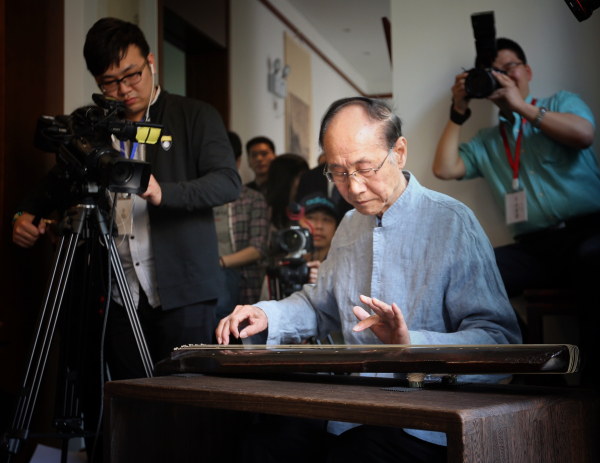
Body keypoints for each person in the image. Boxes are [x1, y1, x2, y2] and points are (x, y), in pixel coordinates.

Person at [216, 97, 521, 463]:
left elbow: (498, 338)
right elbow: (319, 305)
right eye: (338, 173)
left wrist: (412, 344)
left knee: (353, 455)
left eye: (364, 168)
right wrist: (267, 315)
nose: (354, 188)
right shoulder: (349, 225)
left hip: (427, 417)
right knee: (262, 442)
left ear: (400, 152)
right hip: (354, 405)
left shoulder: (452, 223)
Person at [12, 17, 241, 379]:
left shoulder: (194, 115)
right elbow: (57, 179)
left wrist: (163, 193)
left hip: (185, 291)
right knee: (130, 397)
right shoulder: (92, 127)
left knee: (187, 398)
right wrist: (24, 213)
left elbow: (228, 182)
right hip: (117, 291)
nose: (124, 89)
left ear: (151, 61)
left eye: (132, 75)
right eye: (110, 82)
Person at [433, 38, 600, 298]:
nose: (504, 77)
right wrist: (458, 110)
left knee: (593, 259)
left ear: (528, 71)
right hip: (535, 249)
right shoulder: (487, 141)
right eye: (495, 73)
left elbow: (584, 135)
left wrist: (520, 106)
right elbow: (444, 169)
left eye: (510, 68)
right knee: (466, 274)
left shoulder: (561, 102)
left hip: (590, 232)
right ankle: (514, 327)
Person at [214, 132, 269, 326]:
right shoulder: (201, 199)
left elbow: (258, 249)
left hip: (239, 280)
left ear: (237, 161)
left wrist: (219, 262)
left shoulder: (252, 199)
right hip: (206, 279)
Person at [297, 192, 339, 284]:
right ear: (298, 223)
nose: (319, 226)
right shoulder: (285, 263)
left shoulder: (345, 267)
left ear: (336, 228)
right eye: (311, 218)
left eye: (326, 219)